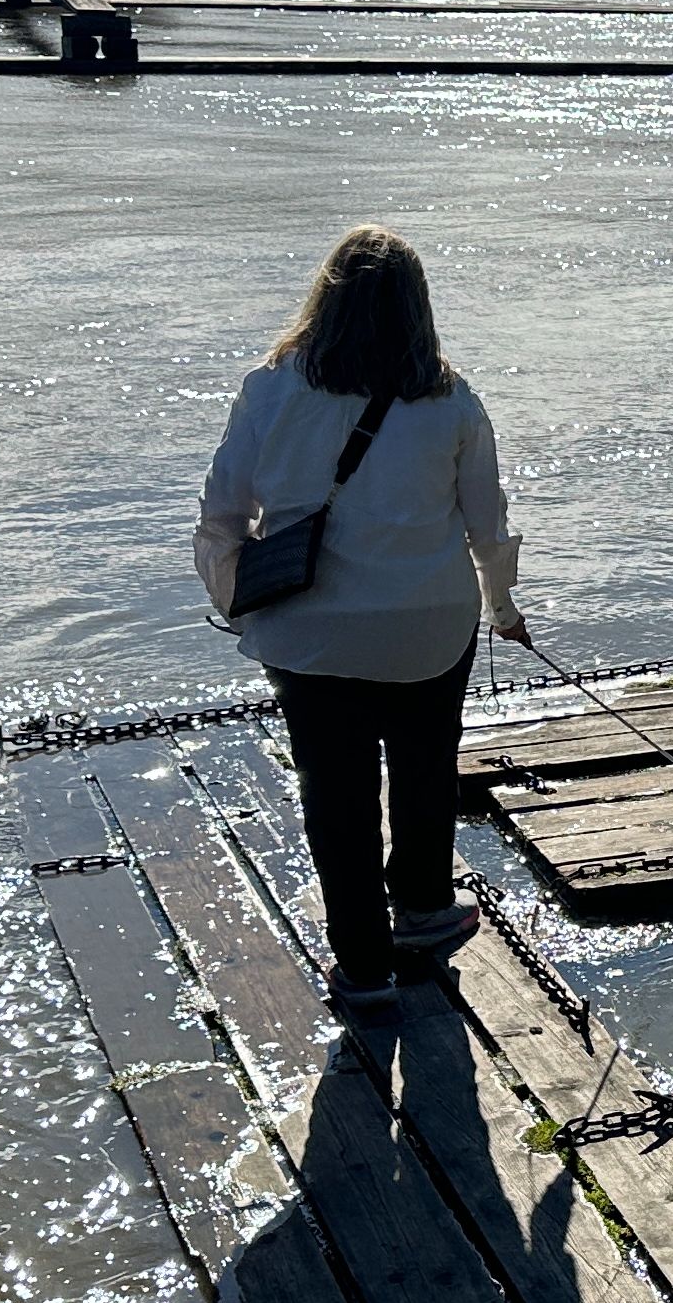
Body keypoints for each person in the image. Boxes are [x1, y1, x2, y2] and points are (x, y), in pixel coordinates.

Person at [197, 225, 525, 1014]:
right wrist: (504, 609)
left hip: (314, 634)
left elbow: (221, 518)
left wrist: (236, 606)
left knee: (335, 797)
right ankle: (422, 913)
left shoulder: (268, 388)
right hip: (430, 625)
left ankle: (363, 972)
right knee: (423, 773)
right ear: (419, 309)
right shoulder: (451, 398)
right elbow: (488, 524)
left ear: (326, 300)